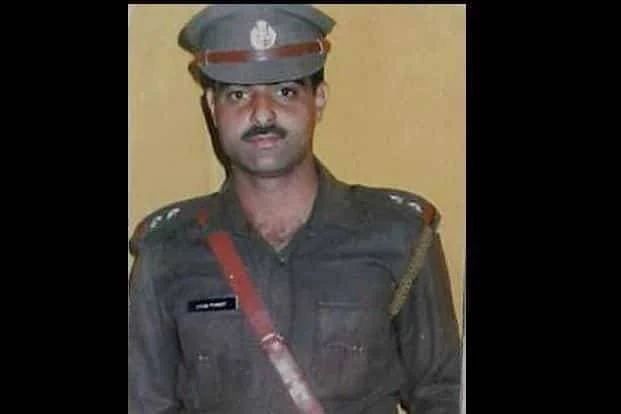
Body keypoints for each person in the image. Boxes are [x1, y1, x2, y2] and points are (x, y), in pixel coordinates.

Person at [128, 5, 462, 414]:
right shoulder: (167, 252)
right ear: (212, 107)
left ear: (318, 100)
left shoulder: (401, 237)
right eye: (238, 95)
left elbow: (443, 395)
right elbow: (144, 404)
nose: (262, 113)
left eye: (285, 91)